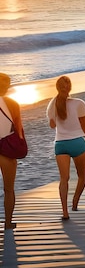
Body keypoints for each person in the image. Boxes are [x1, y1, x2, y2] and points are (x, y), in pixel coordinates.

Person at [46, 76, 85, 221]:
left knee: (64, 179)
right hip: (77, 143)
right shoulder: (79, 103)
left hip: (60, 144)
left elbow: (52, 126)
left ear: (57, 88)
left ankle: (65, 212)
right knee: (82, 177)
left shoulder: (52, 104)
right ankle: (75, 203)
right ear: (70, 87)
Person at [0, 73, 25, 230]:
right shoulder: (13, 104)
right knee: (9, 189)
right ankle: (8, 223)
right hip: (6, 149)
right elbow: (19, 131)